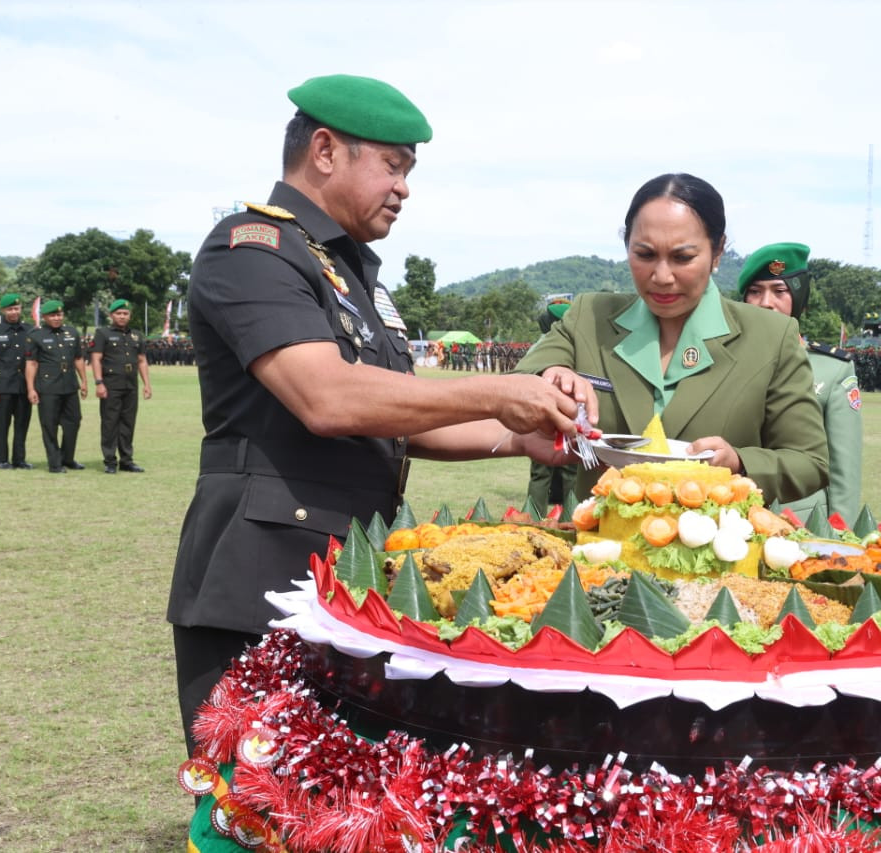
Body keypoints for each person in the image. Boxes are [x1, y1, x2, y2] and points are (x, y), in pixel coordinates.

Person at [168, 74, 586, 758]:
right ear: (326, 150)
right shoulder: (252, 250)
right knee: (256, 800)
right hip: (261, 580)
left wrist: (522, 436)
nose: (404, 187)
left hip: (353, 576)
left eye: (409, 170)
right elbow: (328, 396)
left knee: (351, 796)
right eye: (393, 165)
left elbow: (401, 414)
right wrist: (497, 391)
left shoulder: (354, 274)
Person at [515, 173, 827, 506]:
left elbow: (809, 461)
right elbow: (517, 384)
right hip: (602, 545)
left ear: (718, 251)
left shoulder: (770, 336)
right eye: (645, 255)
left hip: (717, 546)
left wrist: (738, 462)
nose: (662, 277)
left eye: (683, 258)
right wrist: (551, 376)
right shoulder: (589, 317)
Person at [738, 241, 862, 526]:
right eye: (755, 291)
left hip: (800, 523)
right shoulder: (723, 362)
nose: (766, 302)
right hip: (734, 518)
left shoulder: (832, 368)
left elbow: (844, 468)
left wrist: (838, 536)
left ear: (799, 297)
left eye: (779, 291)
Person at [526, 299, 579, 514]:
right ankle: (573, 516)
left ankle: (533, 516)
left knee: (540, 471)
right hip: (570, 412)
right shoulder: (575, 345)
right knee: (571, 470)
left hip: (541, 414)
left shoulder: (539, 345)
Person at [88, 299, 152, 473]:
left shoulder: (137, 335)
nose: (122, 316)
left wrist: (147, 384)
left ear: (129, 315)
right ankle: (110, 461)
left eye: (125, 313)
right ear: (111, 315)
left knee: (128, 423)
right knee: (110, 423)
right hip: (111, 384)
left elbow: (142, 361)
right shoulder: (103, 333)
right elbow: (96, 359)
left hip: (131, 385)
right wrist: (99, 382)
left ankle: (126, 460)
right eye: (118, 313)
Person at [24, 299, 87, 473]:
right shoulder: (35, 335)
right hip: (48, 387)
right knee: (49, 425)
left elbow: (78, 359)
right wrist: (31, 388)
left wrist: (84, 381)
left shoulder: (72, 332)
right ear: (44, 317)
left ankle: (68, 458)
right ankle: (55, 463)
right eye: (53, 315)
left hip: (69, 386)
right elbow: (32, 364)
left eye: (59, 314)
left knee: (73, 422)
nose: (57, 318)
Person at [0, 292, 34, 469]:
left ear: (21, 309)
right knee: (2, 425)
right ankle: (2, 459)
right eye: (10, 309)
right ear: (3, 310)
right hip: (3, 385)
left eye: (16, 308)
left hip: (23, 385)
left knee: (22, 424)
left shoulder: (29, 330)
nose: (14, 312)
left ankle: (19, 459)